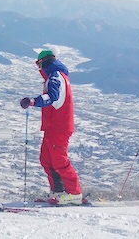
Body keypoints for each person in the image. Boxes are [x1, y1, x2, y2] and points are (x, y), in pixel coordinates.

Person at [19, 47, 83, 205]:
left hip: (60, 126)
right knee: (46, 159)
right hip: (52, 126)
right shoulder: (53, 76)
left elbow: (52, 98)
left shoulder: (56, 76)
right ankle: (58, 191)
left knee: (59, 160)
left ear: (44, 63)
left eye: (39, 65)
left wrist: (33, 101)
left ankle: (74, 193)